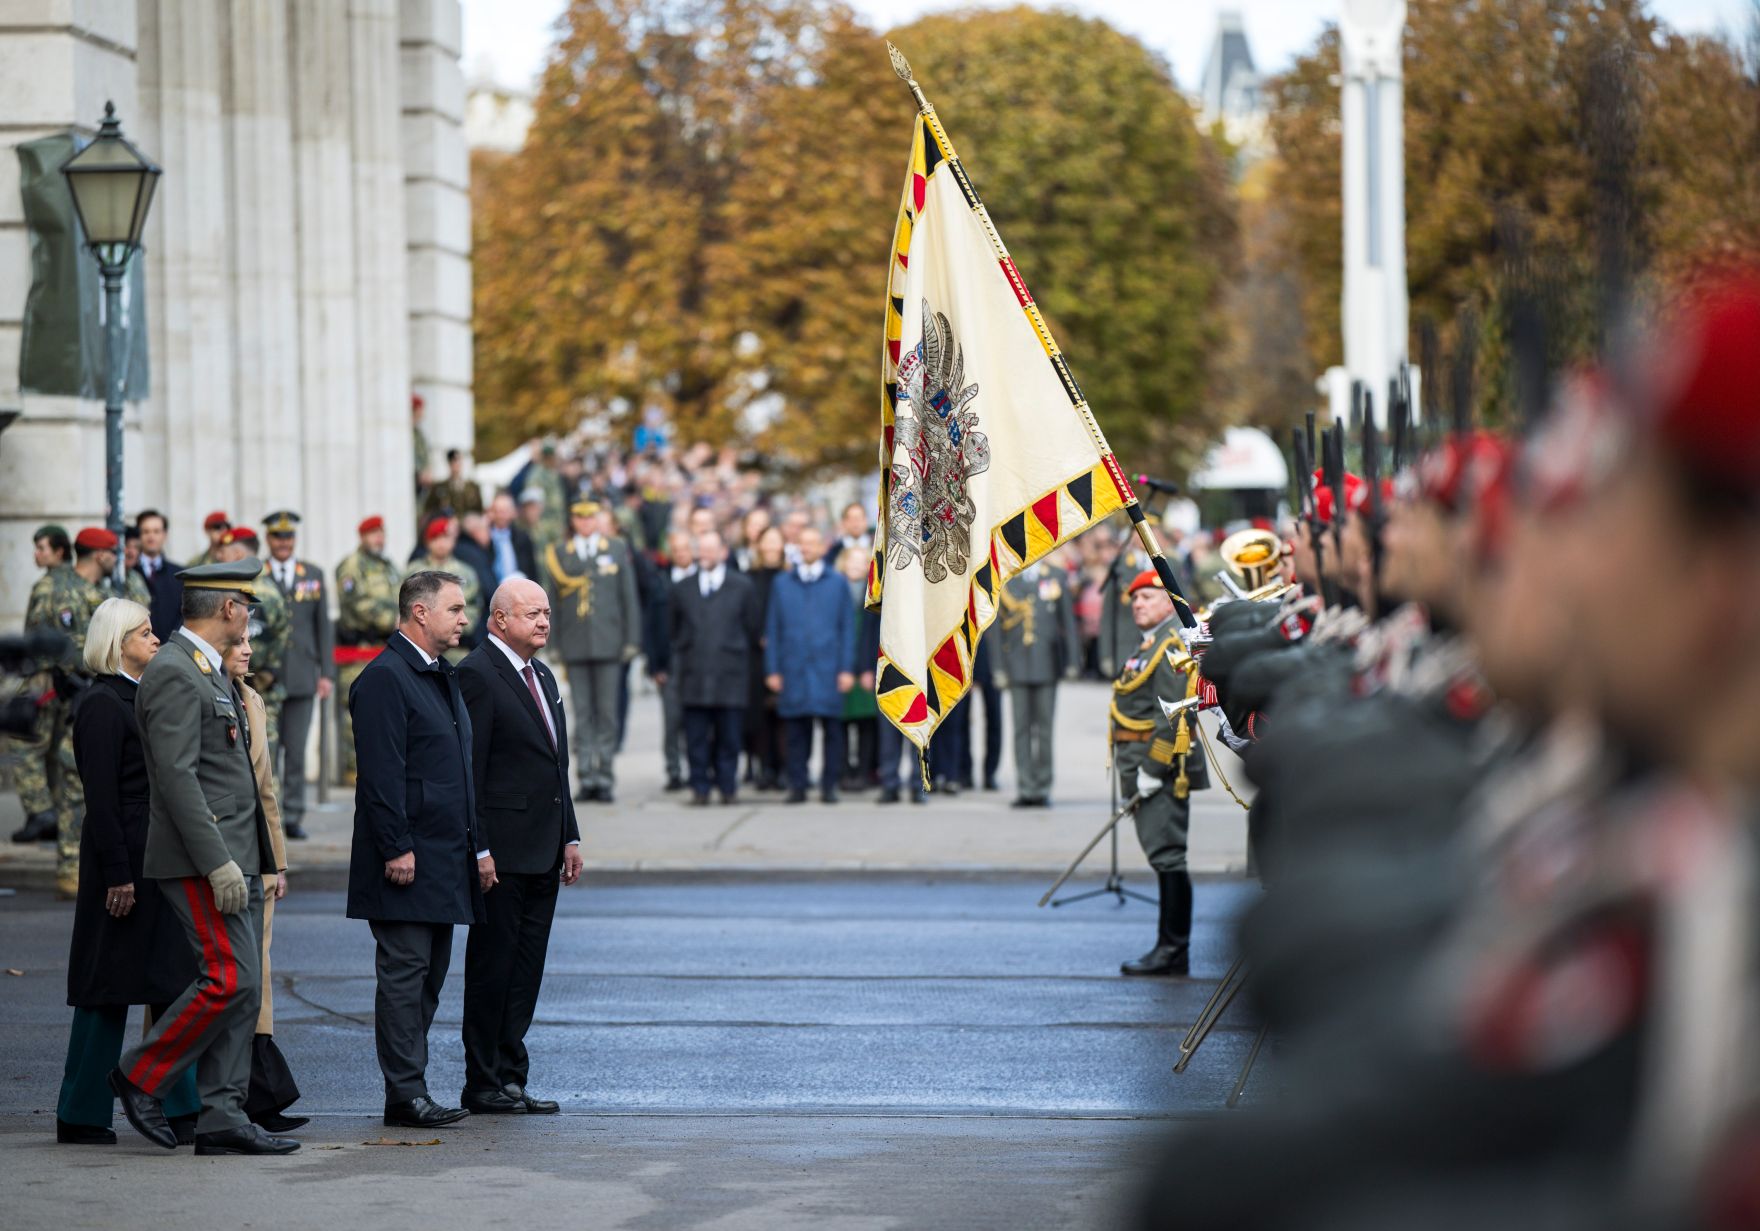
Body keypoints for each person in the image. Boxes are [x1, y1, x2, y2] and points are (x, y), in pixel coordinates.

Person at [109, 559, 294, 1156]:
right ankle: (141, 1075)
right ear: (228, 610)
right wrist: (217, 862)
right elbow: (177, 778)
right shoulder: (175, 673)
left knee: (242, 986)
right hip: (199, 860)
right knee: (228, 978)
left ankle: (222, 1116)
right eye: (246, 607)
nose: (249, 619)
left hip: (232, 856)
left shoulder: (204, 671)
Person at [56, 598, 201, 1146]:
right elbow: (102, 800)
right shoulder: (101, 703)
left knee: (172, 983)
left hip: (159, 856)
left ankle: (181, 1105)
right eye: (144, 633)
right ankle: (82, 1112)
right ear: (118, 644)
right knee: (107, 989)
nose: (156, 639)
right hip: (121, 862)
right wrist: (118, 874)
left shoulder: (146, 694)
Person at [345, 570, 484, 1130]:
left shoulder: (434, 674)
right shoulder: (385, 678)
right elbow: (382, 776)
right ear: (420, 613)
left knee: (428, 978)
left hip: (444, 857)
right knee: (405, 977)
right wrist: (396, 847)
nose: (464, 618)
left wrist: (477, 849)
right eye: (455, 608)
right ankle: (405, 1093)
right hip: (406, 860)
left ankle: (409, 1087)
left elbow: (455, 774)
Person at [457, 579, 583, 1114]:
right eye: (533, 613)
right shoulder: (477, 674)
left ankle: (512, 1076)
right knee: (494, 968)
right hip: (502, 854)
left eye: (547, 613)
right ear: (500, 619)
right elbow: (470, 771)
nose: (544, 622)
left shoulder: (543, 674)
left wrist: (570, 834)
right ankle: (482, 1081)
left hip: (545, 847)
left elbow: (557, 766)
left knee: (526, 969)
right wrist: (479, 847)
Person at [221, 633, 304, 1133]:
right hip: (219, 859)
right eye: (238, 642)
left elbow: (265, 789)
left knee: (259, 976)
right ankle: (175, 1091)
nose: (249, 650)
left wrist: (278, 862)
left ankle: (258, 1094)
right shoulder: (201, 691)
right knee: (214, 977)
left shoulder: (250, 698)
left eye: (252, 641)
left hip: (257, 858)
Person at [1110, 571, 1208, 976]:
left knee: (1167, 855)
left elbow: (1174, 714)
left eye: (1149, 597)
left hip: (1160, 764)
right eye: (1135, 599)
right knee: (1161, 853)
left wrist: (1152, 768)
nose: (1139, 604)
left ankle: (1172, 948)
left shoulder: (1170, 644)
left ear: (1169, 602)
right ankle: (1170, 946)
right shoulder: (1150, 643)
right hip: (1137, 759)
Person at [543, 500, 641, 803]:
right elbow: (553, 603)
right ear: (573, 521)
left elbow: (628, 596)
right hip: (575, 643)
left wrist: (631, 639)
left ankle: (606, 775)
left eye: (590, 518)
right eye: (579, 518)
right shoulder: (561, 554)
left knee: (607, 714)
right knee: (583, 714)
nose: (585, 523)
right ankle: (587, 776)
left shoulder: (615, 547)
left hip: (609, 642)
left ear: (598, 520)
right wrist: (554, 641)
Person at [765, 527, 858, 804]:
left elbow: (847, 629)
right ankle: (798, 785)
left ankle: (829, 785)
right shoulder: (782, 583)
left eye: (811, 544)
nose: (806, 549)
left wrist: (845, 668)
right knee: (795, 732)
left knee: (831, 732)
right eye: (801, 545)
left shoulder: (837, 583)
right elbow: (773, 628)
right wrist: (772, 670)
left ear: (821, 547)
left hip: (828, 669)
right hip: (793, 669)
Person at [668, 531, 762, 806]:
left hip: (730, 675)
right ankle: (700, 787)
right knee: (695, 737)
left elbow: (752, 627)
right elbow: (673, 630)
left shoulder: (742, 586)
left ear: (723, 552)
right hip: (693, 675)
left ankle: (727, 786)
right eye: (702, 549)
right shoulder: (681, 588)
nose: (705, 555)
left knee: (730, 737)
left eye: (711, 549)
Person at [262, 511, 332, 841]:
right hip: (267, 677)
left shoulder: (313, 575)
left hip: (303, 675)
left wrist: (326, 672)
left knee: (297, 750)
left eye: (288, 537)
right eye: (278, 537)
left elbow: (323, 628)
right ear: (268, 540)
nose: (283, 543)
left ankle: (292, 815)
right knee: (268, 751)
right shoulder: (257, 575)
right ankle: (268, 815)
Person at [995, 561, 1081, 808]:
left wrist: (1073, 660)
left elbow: (1068, 622)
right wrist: (998, 667)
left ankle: (1042, 786)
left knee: (1044, 730)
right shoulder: (1007, 577)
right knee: (1021, 729)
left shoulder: (1056, 575)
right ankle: (1025, 787)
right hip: (1017, 662)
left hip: (1047, 663)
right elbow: (996, 629)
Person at [216, 528, 290, 783]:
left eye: (223, 551)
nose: (219, 556)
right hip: (253, 686)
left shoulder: (247, 592)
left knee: (259, 762)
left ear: (237, 552)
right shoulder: (263, 587)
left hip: (253, 688)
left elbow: (270, 637)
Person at [334, 516, 402, 784]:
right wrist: (392, 620)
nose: (379, 539)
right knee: (357, 711)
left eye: (381, 534)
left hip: (385, 647)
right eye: (373, 534)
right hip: (360, 650)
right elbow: (357, 604)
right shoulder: (351, 566)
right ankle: (354, 768)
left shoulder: (389, 566)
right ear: (362, 536)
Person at [649, 530, 696, 790]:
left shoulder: (703, 582)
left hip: (698, 662)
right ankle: (674, 770)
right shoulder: (661, 583)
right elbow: (653, 626)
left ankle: (697, 768)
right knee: (672, 720)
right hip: (670, 661)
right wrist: (656, 665)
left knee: (697, 720)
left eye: (685, 549)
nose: (681, 554)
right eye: (676, 550)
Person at [743, 525, 788, 789]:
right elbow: (745, 613)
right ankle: (765, 768)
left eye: (776, 541)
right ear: (759, 546)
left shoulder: (789, 577)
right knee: (760, 716)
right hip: (757, 655)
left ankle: (784, 767)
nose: (771, 547)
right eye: (767, 542)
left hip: (785, 652)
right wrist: (758, 635)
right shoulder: (749, 577)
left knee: (784, 714)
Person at [407, 516, 483, 657]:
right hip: (421, 646)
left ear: (453, 540)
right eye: (436, 538)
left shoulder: (466, 572)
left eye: (445, 538)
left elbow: (473, 607)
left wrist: (450, 627)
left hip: (456, 647)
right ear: (428, 542)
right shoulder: (414, 571)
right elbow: (405, 605)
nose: (441, 543)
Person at [133, 509, 184, 641]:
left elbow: (185, 614)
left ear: (164, 535)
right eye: (146, 531)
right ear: (139, 535)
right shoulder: (129, 573)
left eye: (156, 531)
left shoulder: (179, 575)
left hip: (172, 648)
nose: (151, 537)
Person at [420, 448, 486, 524]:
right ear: (449, 463)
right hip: (446, 528)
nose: (456, 464)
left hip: (468, 528)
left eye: (458, 461)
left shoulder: (473, 487)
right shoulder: (439, 487)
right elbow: (429, 510)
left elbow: (479, 511)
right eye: (453, 461)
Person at [486, 491, 537, 583]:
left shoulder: (522, 538)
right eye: (497, 511)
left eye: (505, 511)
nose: (501, 516)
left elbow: (531, 569)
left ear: (513, 513)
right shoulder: (484, 537)